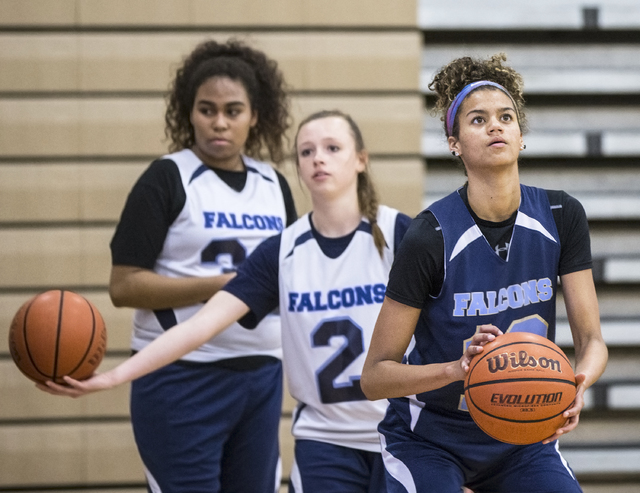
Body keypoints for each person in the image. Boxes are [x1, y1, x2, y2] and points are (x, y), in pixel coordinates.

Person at [39, 110, 413, 492]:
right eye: (306, 151)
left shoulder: (404, 235)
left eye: (333, 148)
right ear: (298, 167)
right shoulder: (280, 252)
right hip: (325, 443)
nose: (318, 158)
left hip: (403, 434)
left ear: (361, 159)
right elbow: (199, 326)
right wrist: (114, 377)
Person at [360, 53, 608, 493]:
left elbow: (592, 341)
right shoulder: (429, 235)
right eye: (478, 120)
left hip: (521, 434)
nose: (495, 126)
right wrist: (459, 369)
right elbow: (376, 376)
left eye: (506, 117)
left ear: (520, 134)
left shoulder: (561, 214)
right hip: (429, 437)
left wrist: (576, 383)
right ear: (454, 142)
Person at [96, 38, 296, 493]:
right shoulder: (167, 177)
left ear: (255, 116)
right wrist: (224, 286)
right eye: (207, 109)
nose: (219, 122)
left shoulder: (274, 184)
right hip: (181, 378)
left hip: (261, 376)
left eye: (233, 110)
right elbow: (124, 286)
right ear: (189, 113)